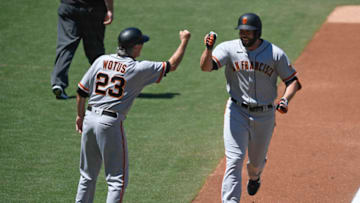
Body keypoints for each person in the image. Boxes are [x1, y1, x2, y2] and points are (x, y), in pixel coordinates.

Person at [75, 27, 191, 202]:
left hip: (89, 119)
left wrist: (80, 116)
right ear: (136, 47)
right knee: (116, 181)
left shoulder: (101, 60)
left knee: (87, 176)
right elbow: (171, 65)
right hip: (109, 123)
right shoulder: (137, 68)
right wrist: (184, 41)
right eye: (141, 43)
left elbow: (81, 91)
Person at [200, 13, 302, 202]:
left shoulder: (274, 53)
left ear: (258, 32)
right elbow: (206, 67)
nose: (244, 35)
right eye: (241, 31)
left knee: (255, 163)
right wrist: (208, 49)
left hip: (264, 115)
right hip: (236, 112)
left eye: (248, 31)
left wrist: (285, 99)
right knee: (234, 160)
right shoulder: (229, 48)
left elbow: (293, 82)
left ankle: (254, 177)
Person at [51, 0, 114, 99]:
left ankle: (58, 83)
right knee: (95, 50)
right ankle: (103, 85)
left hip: (68, 6)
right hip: (93, 9)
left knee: (66, 47)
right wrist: (110, 10)